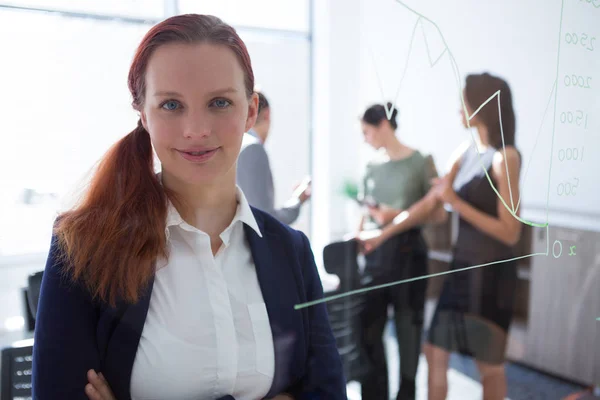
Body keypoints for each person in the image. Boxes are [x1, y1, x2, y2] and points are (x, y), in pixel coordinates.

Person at [31, 14, 346, 400]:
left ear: (250, 110)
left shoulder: (290, 251)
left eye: (219, 102)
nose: (196, 129)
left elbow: (328, 392)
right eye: (171, 105)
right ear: (143, 114)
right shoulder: (83, 247)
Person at [361, 73, 521, 400]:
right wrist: (386, 229)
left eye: (464, 102)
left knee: (488, 367)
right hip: (462, 269)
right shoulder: (464, 153)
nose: (459, 109)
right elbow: (431, 203)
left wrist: (457, 203)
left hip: (491, 274)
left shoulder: (506, 157)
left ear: (482, 106)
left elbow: (510, 231)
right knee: (434, 351)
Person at [354, 102, 445, 400]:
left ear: (383, 124)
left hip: (409, 257)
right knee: (369, 332)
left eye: (366, 131)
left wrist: (396, 214)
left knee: (409, 334)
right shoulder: (371, 166)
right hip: (374, 257)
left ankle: (406, 393)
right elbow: (365, 211)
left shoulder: (421, 162)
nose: (364, 138)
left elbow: (438, 213)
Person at [236, 92, 311, 225]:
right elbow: (265, 220)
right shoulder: (253, 149)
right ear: (267, 114)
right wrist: (297, 200)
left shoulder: (236, 145)